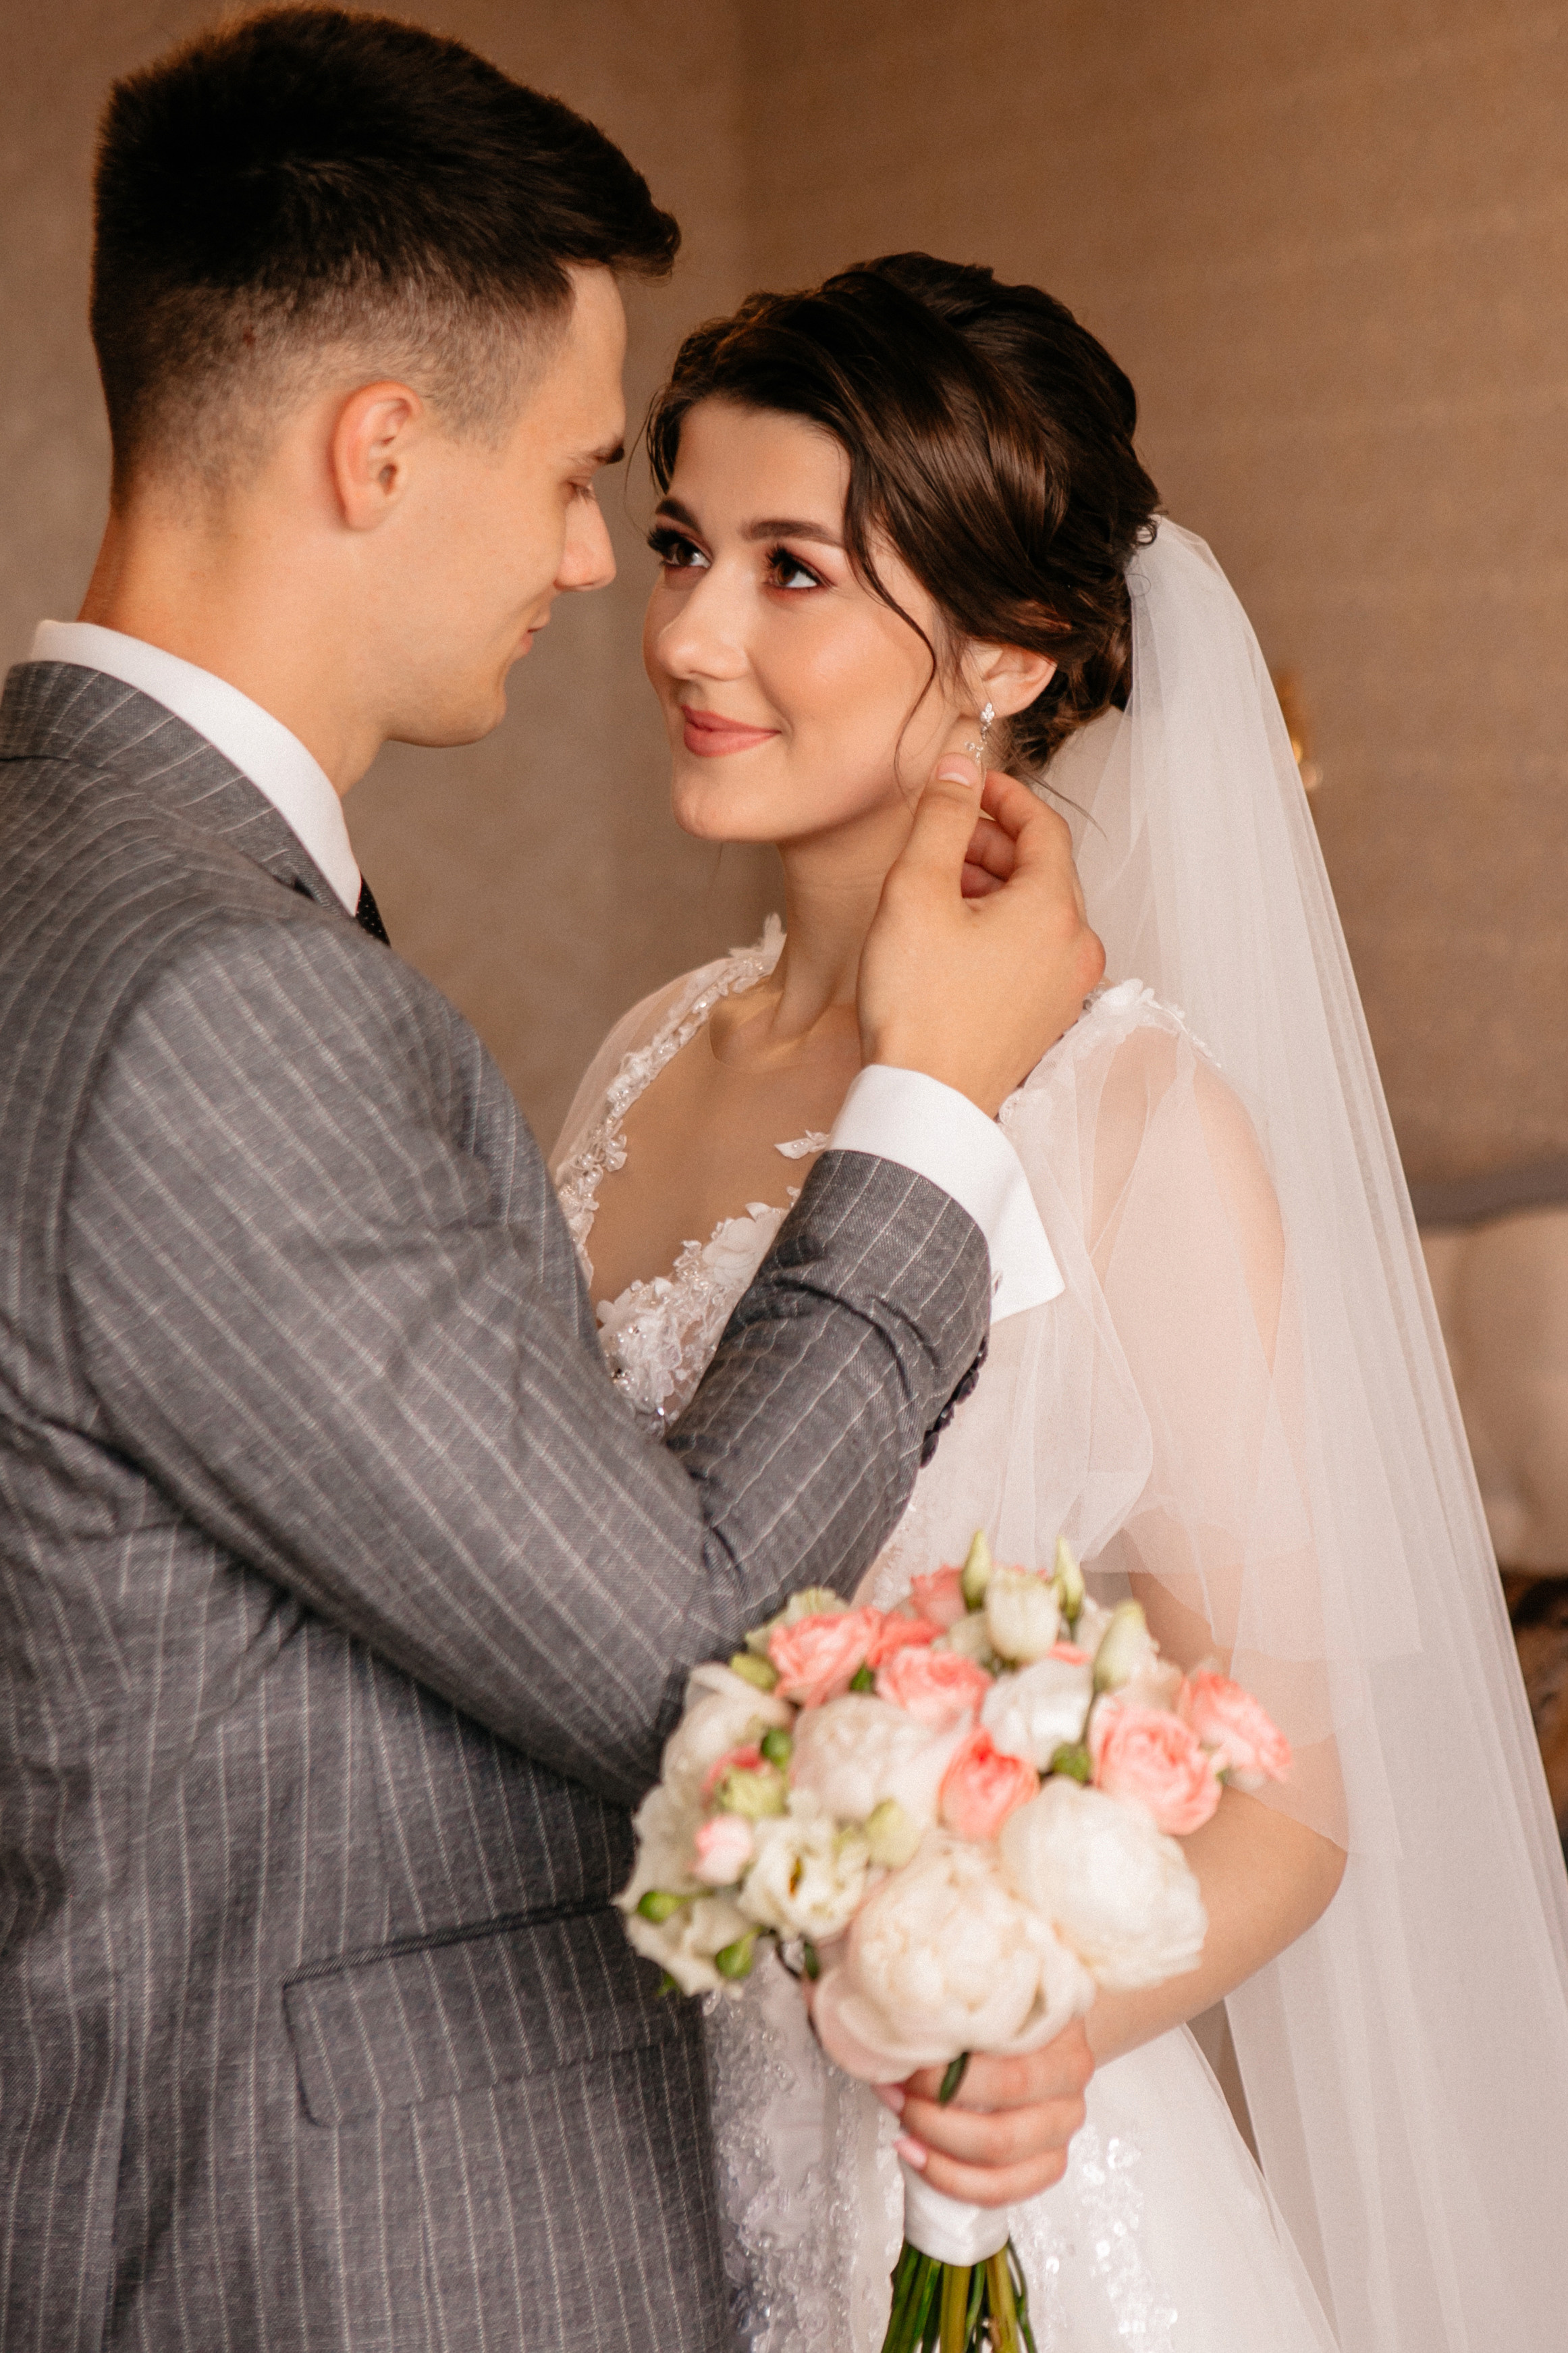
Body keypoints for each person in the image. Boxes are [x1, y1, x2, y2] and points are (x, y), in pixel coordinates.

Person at [0, 22, 1106, 2353]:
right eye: (603, 489)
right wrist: (936, 1105)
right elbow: (680, 1647)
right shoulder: (220, 989)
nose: (615, 579)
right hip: (339, 2245)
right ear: (380, 448)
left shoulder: (62, 860)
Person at [553, 255, 1568, 2351]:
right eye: (677, 545)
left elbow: (1290, 1800)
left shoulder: (1130, 1117)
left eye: (789, 571)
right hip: (597, 2154)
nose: (686, 633)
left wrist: (1037, 2031)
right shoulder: (645, 1048)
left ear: (1010, 656)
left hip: (977, 2188)